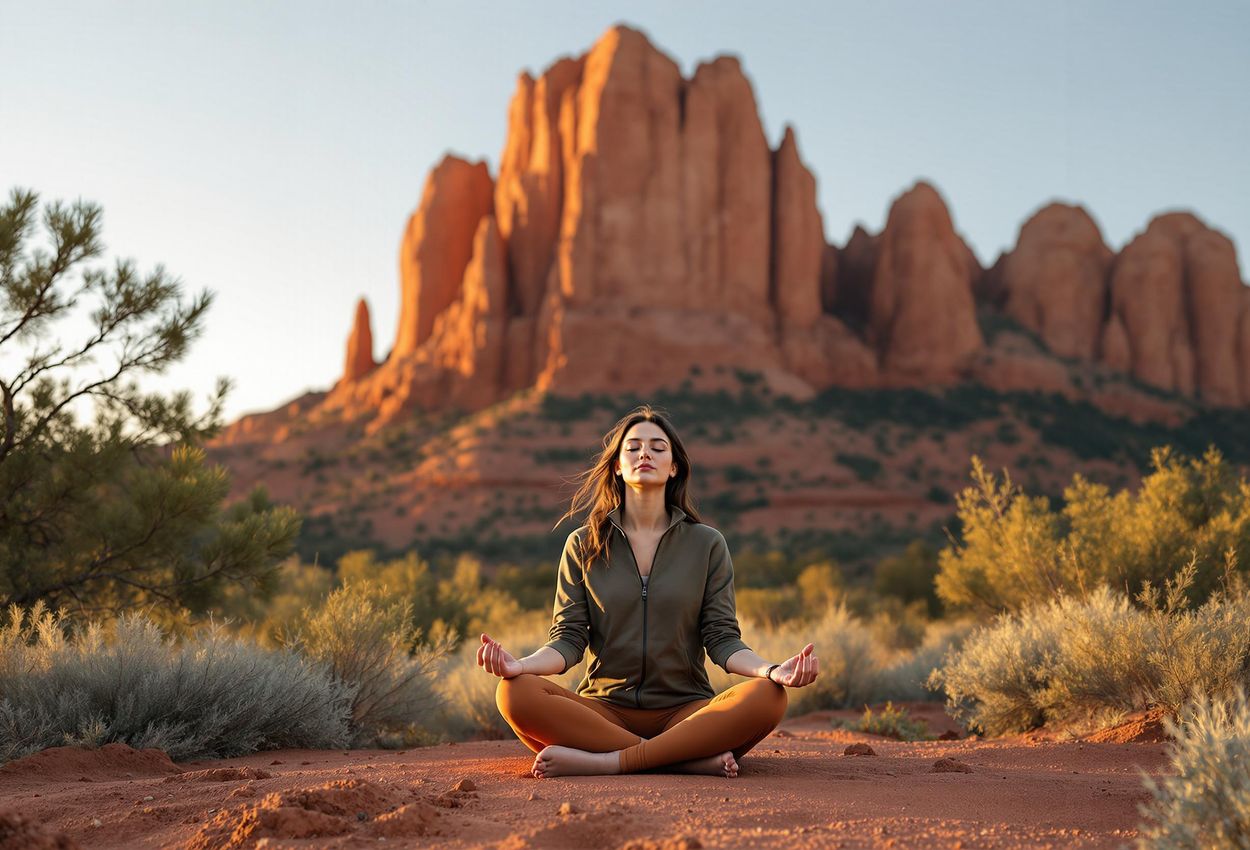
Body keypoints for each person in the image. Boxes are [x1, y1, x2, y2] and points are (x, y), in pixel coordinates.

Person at [477, 404, 820, 779]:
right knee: (513, 692)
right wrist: (519, 666)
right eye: (633, 447)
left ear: (674, 467)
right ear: (618, 467)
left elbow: (723, 640)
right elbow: (568, 640)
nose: (645, 453)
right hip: (603, 712)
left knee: (767, 695)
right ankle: (682, 760)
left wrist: (771, 670)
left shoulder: (707, 544)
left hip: (685, 711)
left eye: (658, 448)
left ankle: (609, 762)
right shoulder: (584, 544)